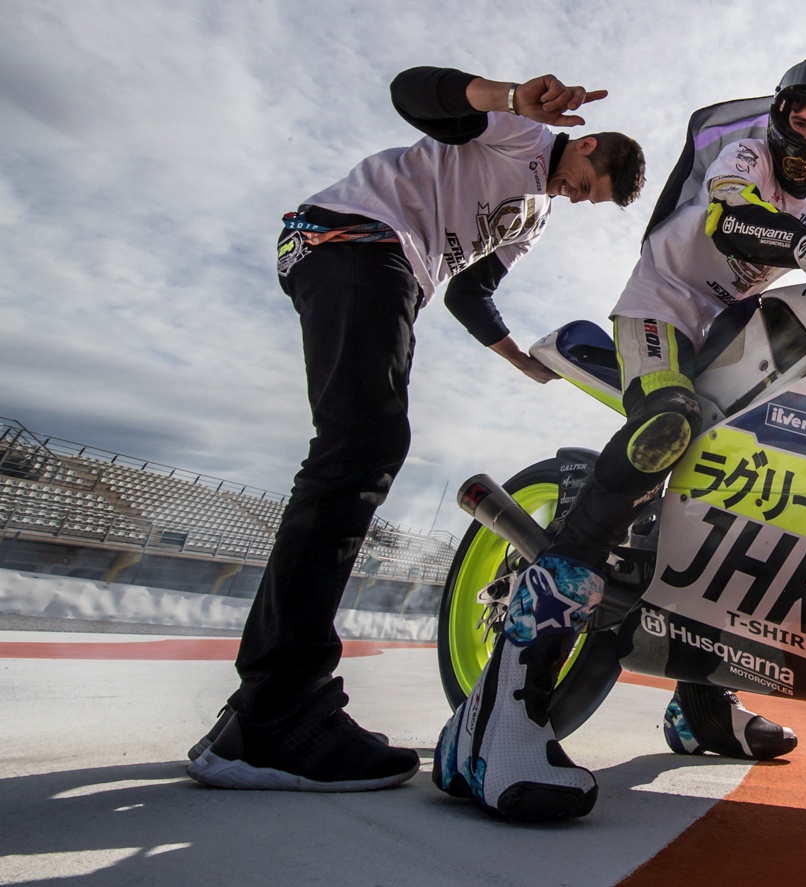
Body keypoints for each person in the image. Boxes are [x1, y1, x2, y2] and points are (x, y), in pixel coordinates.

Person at [434, 58, 806, 822]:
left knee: (753, 476)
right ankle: (493, 715)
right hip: (659, 310)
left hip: (727, 331)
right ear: (783, 115)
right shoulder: (745, 154)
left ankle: (702, 710)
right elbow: (733, 217)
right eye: (804, 119)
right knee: (664, 428)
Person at [186, 66, 645, 793]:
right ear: (585, 146)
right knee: (360, 446)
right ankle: (278, 708)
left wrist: (522, 362)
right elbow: (414, 94)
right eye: (588, 186)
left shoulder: (533, 218)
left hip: (384, 266)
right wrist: (507, 95)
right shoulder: (523, 131)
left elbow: (470, 292)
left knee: (362, 445)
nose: (578, 198)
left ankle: (266, 708)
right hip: (357, 237)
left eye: (591, 202)